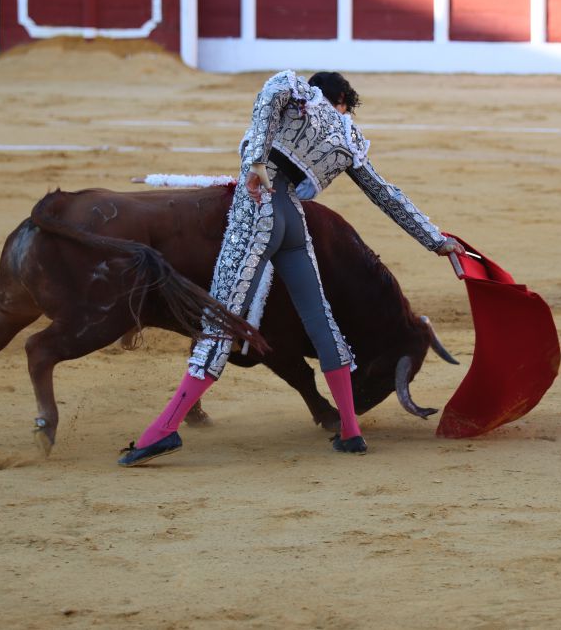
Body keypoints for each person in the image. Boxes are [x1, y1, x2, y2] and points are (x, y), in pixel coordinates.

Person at [118, 70, 462, 467]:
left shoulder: (298, 93)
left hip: (259, 207)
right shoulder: (350, 139)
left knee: (220, 321)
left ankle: (163, 431)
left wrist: (256, 162)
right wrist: (436, 240)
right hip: (294, 222)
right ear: (341, 101)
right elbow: (387, 195)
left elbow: (271, 93)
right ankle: (350, 432)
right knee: (321, 321)